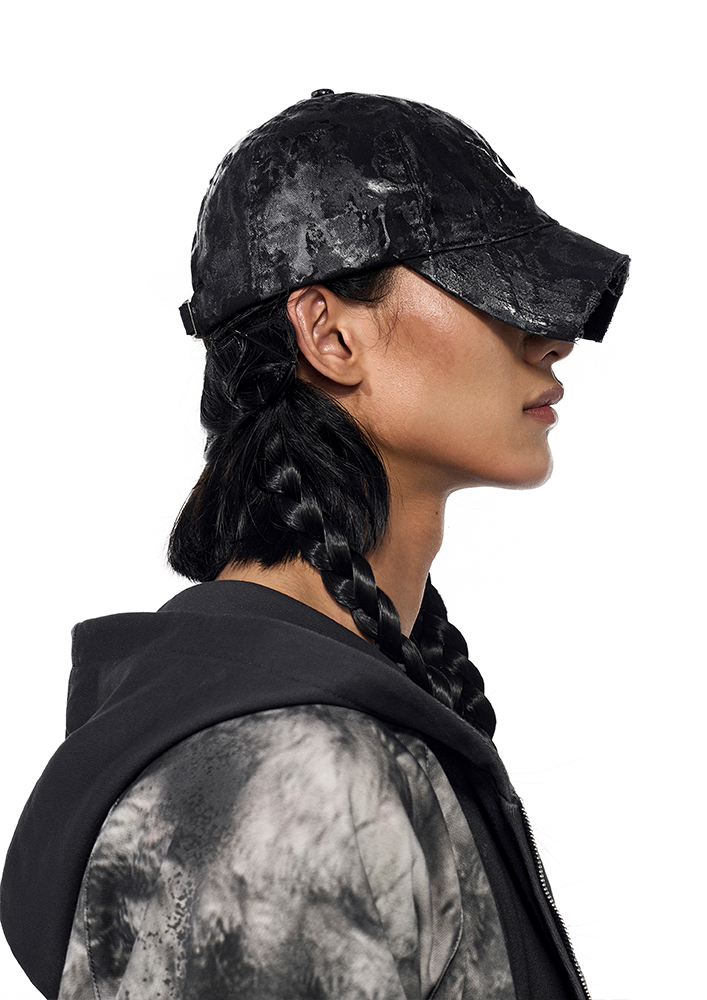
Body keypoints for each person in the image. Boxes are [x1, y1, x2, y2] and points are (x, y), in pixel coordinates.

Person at [1, 90, 630, 999]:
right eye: (485, 284)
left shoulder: (338, 723)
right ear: (329, 335)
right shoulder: (289, 779)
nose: (553, 341)